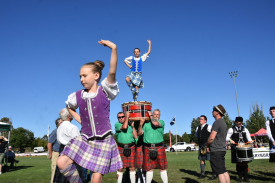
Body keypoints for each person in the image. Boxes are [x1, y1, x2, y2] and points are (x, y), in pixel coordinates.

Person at [57, 40, 123, 183]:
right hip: (85, 139)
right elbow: (69, 106)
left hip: (103, 139)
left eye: (84, 76)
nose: (81, 79)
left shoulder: (105, 90)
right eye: (80, 76)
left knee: (96, 177)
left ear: (96, 76)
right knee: (61, 162)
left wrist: (114, 49)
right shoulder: (77, 95)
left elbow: (112, 71)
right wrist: (81, 119)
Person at [138, 109, 168, 183]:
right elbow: (139, 133)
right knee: (149, 169)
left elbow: (154, 123)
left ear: (160, 116)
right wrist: (141, 124)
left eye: (158, 114)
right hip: (148, 148)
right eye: (155, 114)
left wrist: (151, 114)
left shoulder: (161, 122)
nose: (156, 115)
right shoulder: (146, 124)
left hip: (159, 147)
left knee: (162, 168)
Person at [55, 108, 80, 183]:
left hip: (61, 152)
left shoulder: (59, 127)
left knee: (61, 179)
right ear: (69, 115)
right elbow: (78, 143)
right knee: (74, 178)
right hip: (71, 153)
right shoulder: (73, 127)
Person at [206, 104, 230, 183]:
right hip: (222, 149)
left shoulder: (216, 123)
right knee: (223, 170)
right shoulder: (223, 122)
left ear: (217, 113)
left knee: (220, 173)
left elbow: (212, 137)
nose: (212, 112)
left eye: (213, 110)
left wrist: (207, 144)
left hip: (216, 150)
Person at [226, 117, 253, 182]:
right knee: (238, 163)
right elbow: (226, 137)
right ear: (235, 122)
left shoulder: (245, 129)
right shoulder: (231, 129)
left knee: (245, 162)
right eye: (238, 122)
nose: (240, 123)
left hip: (244, 148)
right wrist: (230, 140)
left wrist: (251, 141)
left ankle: (246, 177)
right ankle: (240, 177)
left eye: (241, 122)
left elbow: (249, 137)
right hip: (236, 148)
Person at [115, 111, 137, 183]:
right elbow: (124, 127)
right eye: (119, 117)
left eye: (122, 117)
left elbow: (135, 136)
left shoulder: (131, 125)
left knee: (132, 168)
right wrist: (127, 116)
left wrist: (133, 127)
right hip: (121, 148)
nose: (121, 118)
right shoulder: (117, 125)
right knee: (120, 168)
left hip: (131, 147)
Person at [48, 118, 63, 183]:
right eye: (63, 122)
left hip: (63, 154)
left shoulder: (63, 131)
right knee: (54, 171)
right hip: (56, 153)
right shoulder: (55, 131)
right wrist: (51, 154)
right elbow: (49, 144)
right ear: (59, 123)